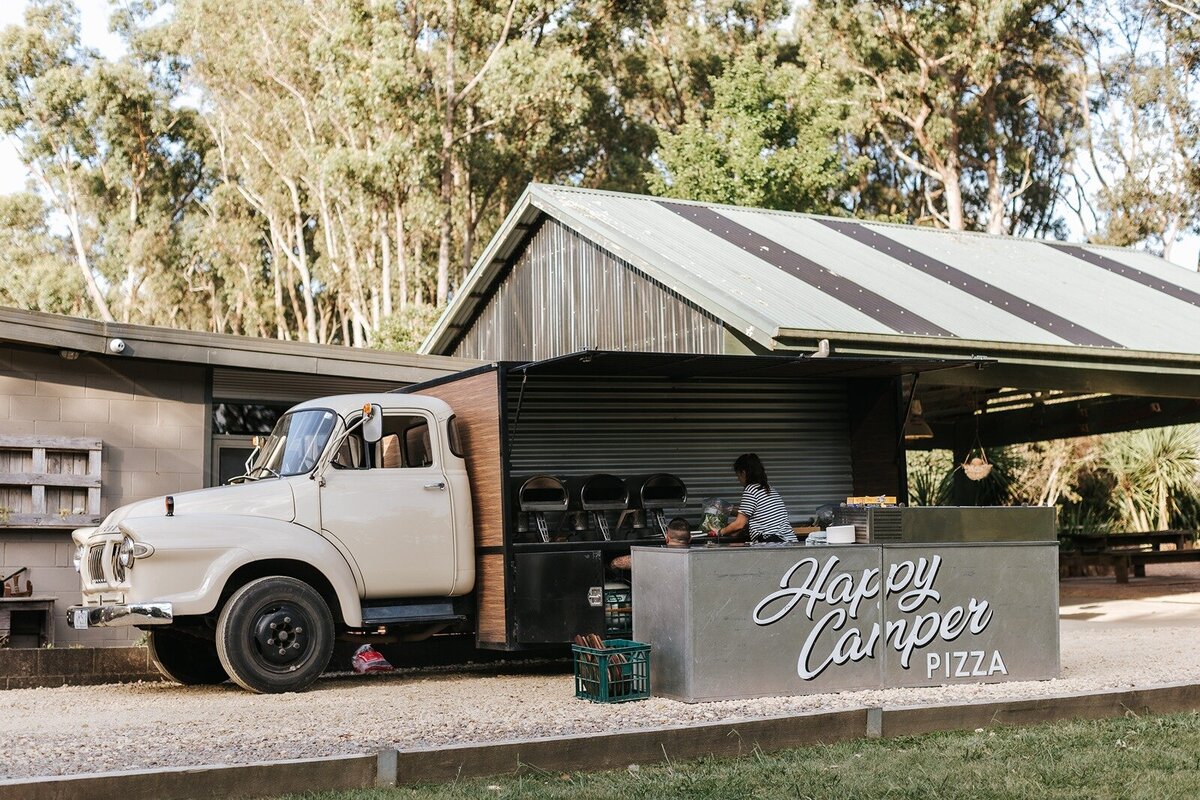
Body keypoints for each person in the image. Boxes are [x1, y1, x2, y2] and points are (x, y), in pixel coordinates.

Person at [715, 453, 798, 544]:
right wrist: (727, 510)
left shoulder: (751, 490)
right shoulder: (768, 489)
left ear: (743, 473)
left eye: (738, 475)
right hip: (789, 541)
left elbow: (739, 524)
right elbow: (750, 511)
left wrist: (719, 532)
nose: (738, 479)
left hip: (772, 543)